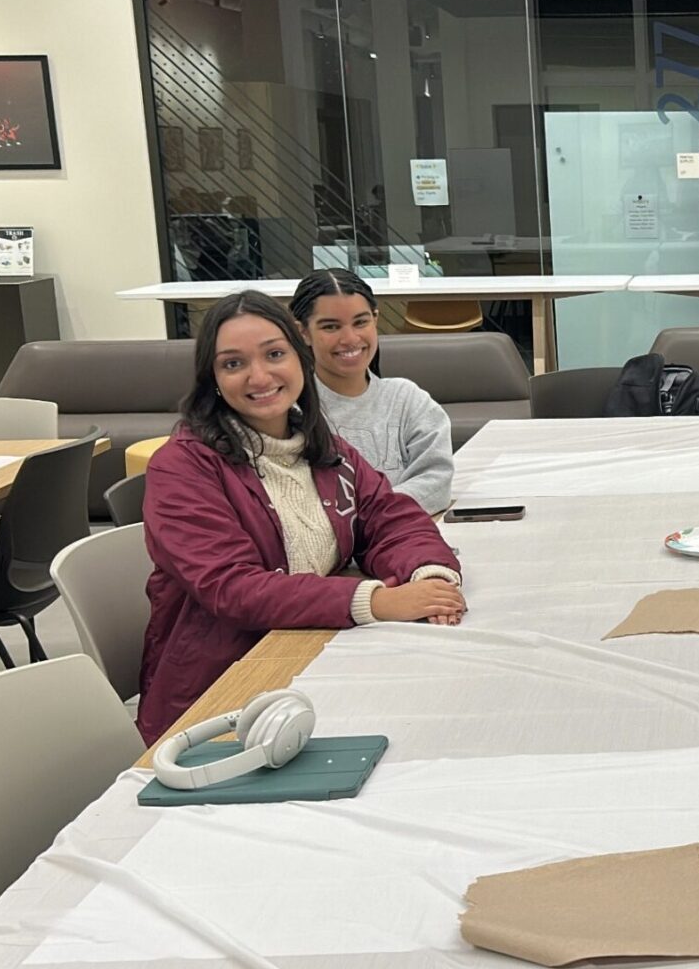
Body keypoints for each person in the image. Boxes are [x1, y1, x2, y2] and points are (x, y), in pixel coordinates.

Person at [138, 290, 465, 744]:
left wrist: (430, 574)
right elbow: (231, 587)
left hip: (317, 650)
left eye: (274, 354)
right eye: (233, 364)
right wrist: (375, 601)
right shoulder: (182, 467)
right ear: (211, 378)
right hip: (223, 687)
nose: (259, 375)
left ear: (300, 358)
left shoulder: (318, 444)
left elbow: (390, 517)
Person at [289, 269, 455, 514]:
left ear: (375, 319)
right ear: (303, 332)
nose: (350, 338)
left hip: (405, 542)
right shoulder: (291, 412)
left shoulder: (408, 400)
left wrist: (360, 514)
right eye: (331, 327)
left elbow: (436, 485)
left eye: (360, 322)